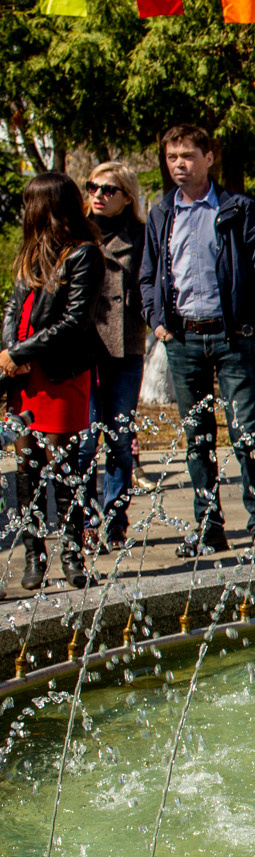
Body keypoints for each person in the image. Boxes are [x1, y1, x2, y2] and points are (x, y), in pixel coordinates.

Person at [137, 123, 255, 558]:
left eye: (187, 156)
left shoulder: (238, 209)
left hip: (230, 336)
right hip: (182, 339)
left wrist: (245, 316)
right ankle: (208, 527)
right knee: (197, 437)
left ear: (208, 158)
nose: (179, 164)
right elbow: (149, 274)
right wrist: (157, 321)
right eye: (172, 157)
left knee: (245, 433)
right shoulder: (163, 213)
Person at [4, 173, 104, 590]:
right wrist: (10, 350)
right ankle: (34, 556)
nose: (26, 210)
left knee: (63, 468)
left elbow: (74, 322)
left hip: (61, 373)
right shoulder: (31, 253)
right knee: (27, 468)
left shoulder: (83, 255)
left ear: (49, 206)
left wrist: (20, 353)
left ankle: (72, 555)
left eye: (31, 203)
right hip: (23, 374)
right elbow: (12, 308)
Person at [81, 161, 148, 551]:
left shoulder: (140, 235)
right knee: (87, 440)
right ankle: (88, 520)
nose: (99, 195)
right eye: (93, 186)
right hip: (84, 350)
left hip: (126, 348)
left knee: (120, 438)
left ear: (127, 197)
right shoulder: (76, 232)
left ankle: (115, 519)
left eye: (109, 189)